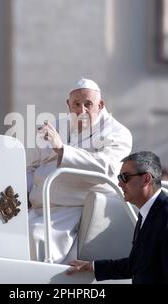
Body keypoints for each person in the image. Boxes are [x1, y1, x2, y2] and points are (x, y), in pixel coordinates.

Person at [28, 78, 132, 263]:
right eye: (76, 104)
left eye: (88, 104)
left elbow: (106, 168)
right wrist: (21, 195)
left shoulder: (117, 132)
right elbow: (32, 167)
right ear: (68, 105)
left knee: (35, 236)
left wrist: (62, 150)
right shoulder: (55, 126)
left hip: (75, 208)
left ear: (100, 105)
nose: (82, 110)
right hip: (37, 206)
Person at [67, 151, 168, 284]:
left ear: (146, 179)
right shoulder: (148, 213)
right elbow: (136, 265)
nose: (120, 184)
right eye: (119, 177)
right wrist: (93, 267)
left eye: (125, 177)